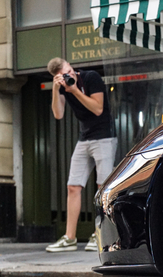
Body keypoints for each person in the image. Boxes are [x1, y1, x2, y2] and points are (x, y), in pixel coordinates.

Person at [45, 58, 117, 252]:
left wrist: (74, 91)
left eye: (69, 71)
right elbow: (58, 114)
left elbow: (98, 108)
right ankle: (70, 238)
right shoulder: (61, 87)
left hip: (104, 137)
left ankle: (100, 235)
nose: (69, 77)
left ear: (71, 66)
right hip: (84, 138)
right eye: (63, 75)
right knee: (73, 187)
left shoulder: (90, 78)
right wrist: (55, 89)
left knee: (103, 188)